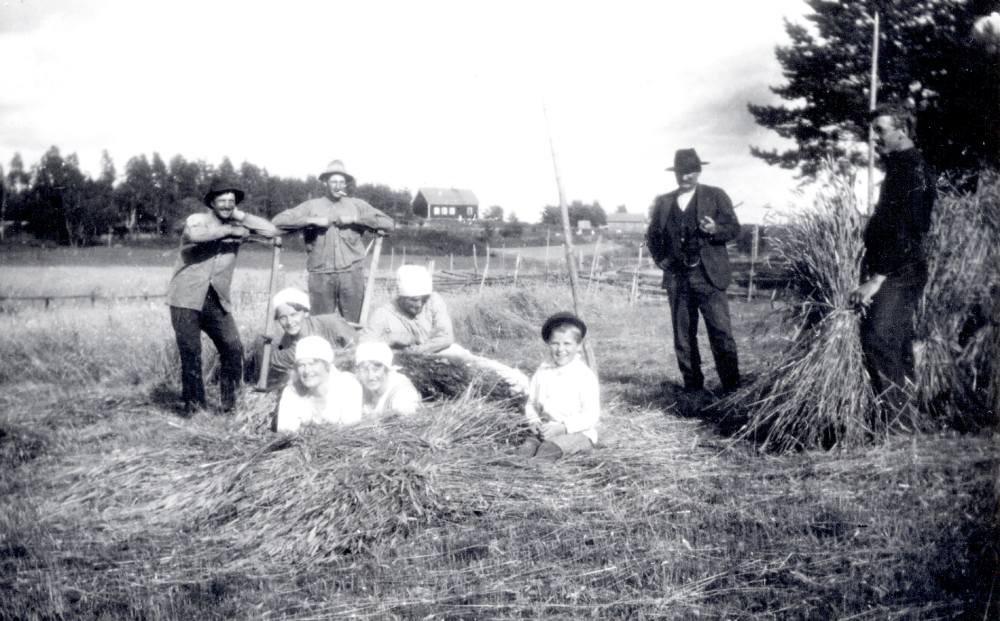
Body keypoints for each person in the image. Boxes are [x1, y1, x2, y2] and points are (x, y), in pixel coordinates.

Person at [849, 103, 935, 429]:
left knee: (878, 338)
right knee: (896, 341)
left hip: (900, 269)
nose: (873, 138)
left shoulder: (910, 170)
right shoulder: (902, 167)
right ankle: (904, 418)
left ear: (902, 131)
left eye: (880, 130)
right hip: (900, 265)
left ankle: (897, 425)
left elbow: (906, 230)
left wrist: (877, 279)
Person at [167, 179, 277, 414]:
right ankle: (195, 409)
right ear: (211, 203)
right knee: (191, 352)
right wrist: (229, 230)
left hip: (215, 298)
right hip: (185, 297)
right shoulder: (198, 220)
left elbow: (270, 231)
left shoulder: (237, 221)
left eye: (231, 202)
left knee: (233, 348)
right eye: (222, 201)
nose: (227, 205)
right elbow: (196, 236)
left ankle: (231, 404)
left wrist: (239, 216)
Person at [645, 148, 741, 393]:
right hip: (677, 277)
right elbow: (652, 235)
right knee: (683, 335)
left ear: (698, 171)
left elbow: (734, 228)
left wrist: (715, 230)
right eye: (680, 172)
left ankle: (731, 388)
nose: (684, 177)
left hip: (708, 275)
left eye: (689, 172)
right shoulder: (664, 201)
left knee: (720, 332)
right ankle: (693, 388)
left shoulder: (715, 195)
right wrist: (660, 259)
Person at [360, 265, 529, 392]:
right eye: (413, 300)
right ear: (401, 296)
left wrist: (417, 351)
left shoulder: (433, 301)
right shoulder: (383, 314)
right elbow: (362, 346)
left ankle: (517, 384)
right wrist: (389, 338)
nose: (419, 305)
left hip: (442, 352)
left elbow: (446, 337)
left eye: (423, 299)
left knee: (483, 368)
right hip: (405, 365)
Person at [271, 160, 394, 322]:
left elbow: (389, 224)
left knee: (353, 325)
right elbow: (277, 222)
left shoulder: (357, 205)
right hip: (321, 275)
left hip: (351, 275)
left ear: (346, 184)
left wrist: (354, 219)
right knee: (321, 324)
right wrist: (312, 221)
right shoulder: (311, 206)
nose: (338, 186)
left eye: (342, 182)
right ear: (325, 183)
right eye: (333, 181)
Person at [517, 312, 600, 461]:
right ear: (549, 343)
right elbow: (531, 404)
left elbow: (591, 415)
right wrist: (534, 421)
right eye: (555, 343)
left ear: (579, 346)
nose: (560, 349)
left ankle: (538, 476)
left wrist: (563, 427)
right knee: (524, 452)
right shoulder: (543, 371)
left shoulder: (583, 375)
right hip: (547, 430)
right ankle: (520, 471)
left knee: (547, 451)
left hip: (577, 433)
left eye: (567, 344)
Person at [245, 287, 358, 389]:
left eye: (294, 315)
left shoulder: (331, 323)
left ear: (306, 313)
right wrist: (261, 345)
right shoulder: (287, 346)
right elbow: (277, 365)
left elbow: (359, 347)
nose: (289, 322)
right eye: (283, 318)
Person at [275, 336, 363, 432]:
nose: (307, 371)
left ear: (326, 365)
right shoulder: (292, 391)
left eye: (312, 364)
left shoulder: (349, 387)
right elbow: (285, 432)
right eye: (301, 365)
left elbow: (350, 433)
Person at [354, 341, 421, 416]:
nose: (370, 377)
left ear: (387, 370)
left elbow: (407, 425)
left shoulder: (403, 394)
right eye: (365, 370)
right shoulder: (355, 384)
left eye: (376, 370)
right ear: (358, 371)